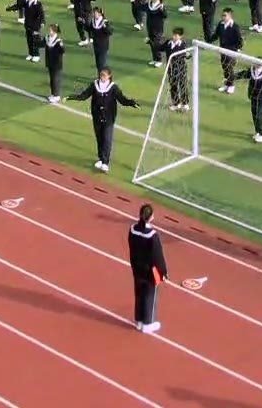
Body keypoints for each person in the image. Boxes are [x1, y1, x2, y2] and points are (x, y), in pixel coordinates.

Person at [69, 67, 136, 171]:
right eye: (101, 75)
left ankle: (105, 162)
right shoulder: (94, 85)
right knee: (99, 138)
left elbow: (122, 100)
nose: (102, 77)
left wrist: (132, 103)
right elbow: (84, 96)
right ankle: (100, 158)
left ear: (109, 76)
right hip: (97, 116)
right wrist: (71, 97)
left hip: (109, 117)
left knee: (107, 139)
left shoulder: (113, 88)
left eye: (104, 75)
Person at [128, 203, 168, 333]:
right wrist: (163, 272)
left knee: (139, 293)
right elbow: (157, 256)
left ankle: (139, 321)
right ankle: (148, 323)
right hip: (149, 270)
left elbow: (131, 245)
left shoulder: (132, 229)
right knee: (149, 295)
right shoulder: (152, 234)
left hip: (136, 267)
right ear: (151, 217)